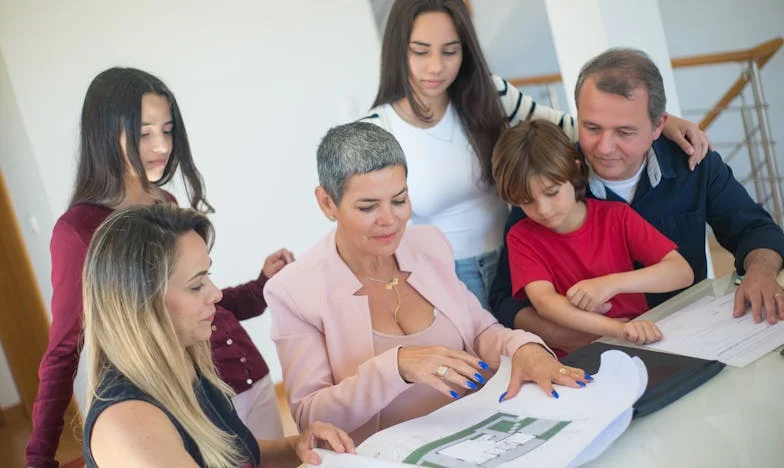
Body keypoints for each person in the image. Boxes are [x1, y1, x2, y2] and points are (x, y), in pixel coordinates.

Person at [361, 0, 710, 309]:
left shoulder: (491, 95)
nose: (435, 67)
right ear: (397, 50)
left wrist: (659, 124)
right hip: (444, 276)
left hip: (518, 261)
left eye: (450, 51)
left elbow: (581, 128)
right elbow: (373, 222)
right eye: (420, 51)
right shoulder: (377, 130)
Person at [26, 67, 293, 468]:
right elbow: (64, 350)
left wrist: (260, 287)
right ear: (104, 133)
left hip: (226, 380)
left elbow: (200, 296)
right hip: (172, 398)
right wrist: (38, 457)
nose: (161, 146)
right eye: (145, 132)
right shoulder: (80, 231)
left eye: (167, 130)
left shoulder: (163, 201)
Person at [264, 122, 590, 445]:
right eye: (368, 207)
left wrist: (525, 347)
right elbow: (310, 415)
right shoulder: (293, 291)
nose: (389, 220)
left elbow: (480, 331)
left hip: (483, 430)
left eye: (399, 199)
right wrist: (398, 365)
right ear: (327, 203)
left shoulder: (429, 244)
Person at [489, 48, 784, 354]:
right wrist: (567, 335)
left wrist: (760, 272)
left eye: (625, 131)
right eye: (592, 128)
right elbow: (505, 298)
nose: (604, 148)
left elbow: (754, 229)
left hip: (692, 334)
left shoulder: (694, 163)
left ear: (658, 126)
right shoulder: (549, 182)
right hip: (598, 352)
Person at [81, 204, 354, 467]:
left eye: (208, 276)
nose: (216, 293)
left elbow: (240, 453)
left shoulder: (188, 364)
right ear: (141, 305)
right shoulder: (128, 424)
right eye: (197, 285)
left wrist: (297, 446)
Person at [491, 119, 694, 352]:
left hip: (643, 344)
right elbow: (545, 303)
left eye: (552, 192)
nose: (543, 210)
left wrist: (609, 285)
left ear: (574, 170)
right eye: (527, 202)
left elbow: (681, 272)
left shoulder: (616, 217)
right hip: (578, 359)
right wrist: (615, 330)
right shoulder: (521, 238)